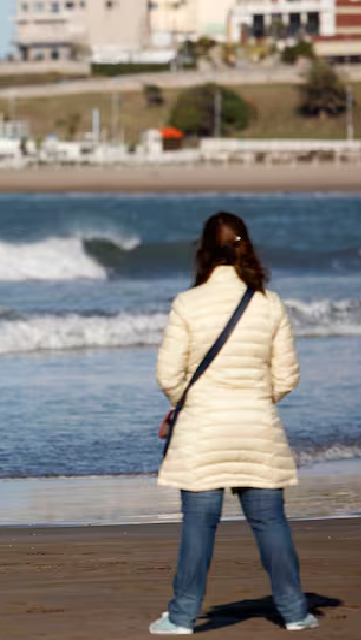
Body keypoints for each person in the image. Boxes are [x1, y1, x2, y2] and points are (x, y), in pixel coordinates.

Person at [149, 212, 318, 634]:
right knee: (270, 523)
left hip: (203, 431)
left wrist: (191, 401)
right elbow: (287, 376)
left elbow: (168, 375)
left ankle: (184, 617)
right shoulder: (269, 303)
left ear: (203, 249)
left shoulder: (187, 304)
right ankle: (295, 613)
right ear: (246, 245)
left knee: (198, 528)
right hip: (256, 427)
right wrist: (257, 399)